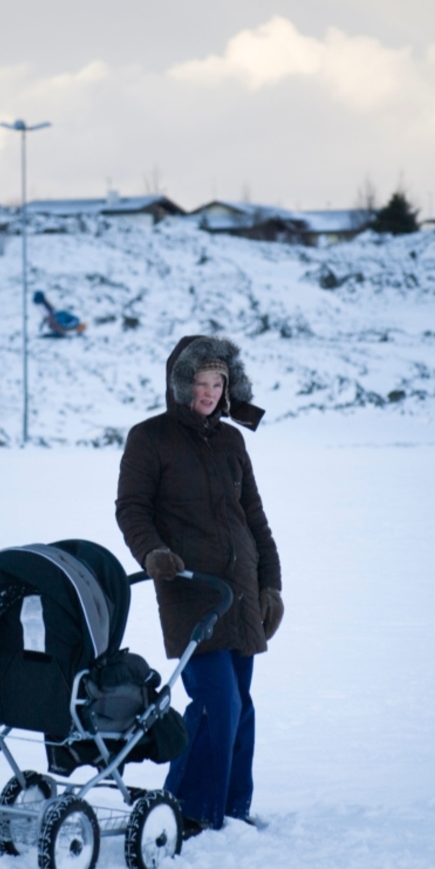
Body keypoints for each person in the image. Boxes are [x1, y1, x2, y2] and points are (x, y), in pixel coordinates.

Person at [115, 335, 283, 837]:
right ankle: (190, 810)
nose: (209, 393)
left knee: (241, 703)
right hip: (190, 586)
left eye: (218, 383)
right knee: (217, 701)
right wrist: (153, 554)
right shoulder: (149, 438)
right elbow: (132, 509)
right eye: (200, 382)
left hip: (242, 591)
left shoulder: (233, 441)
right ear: (180, 383)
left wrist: (271, 584)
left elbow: (254, 518)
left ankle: (232, 809)